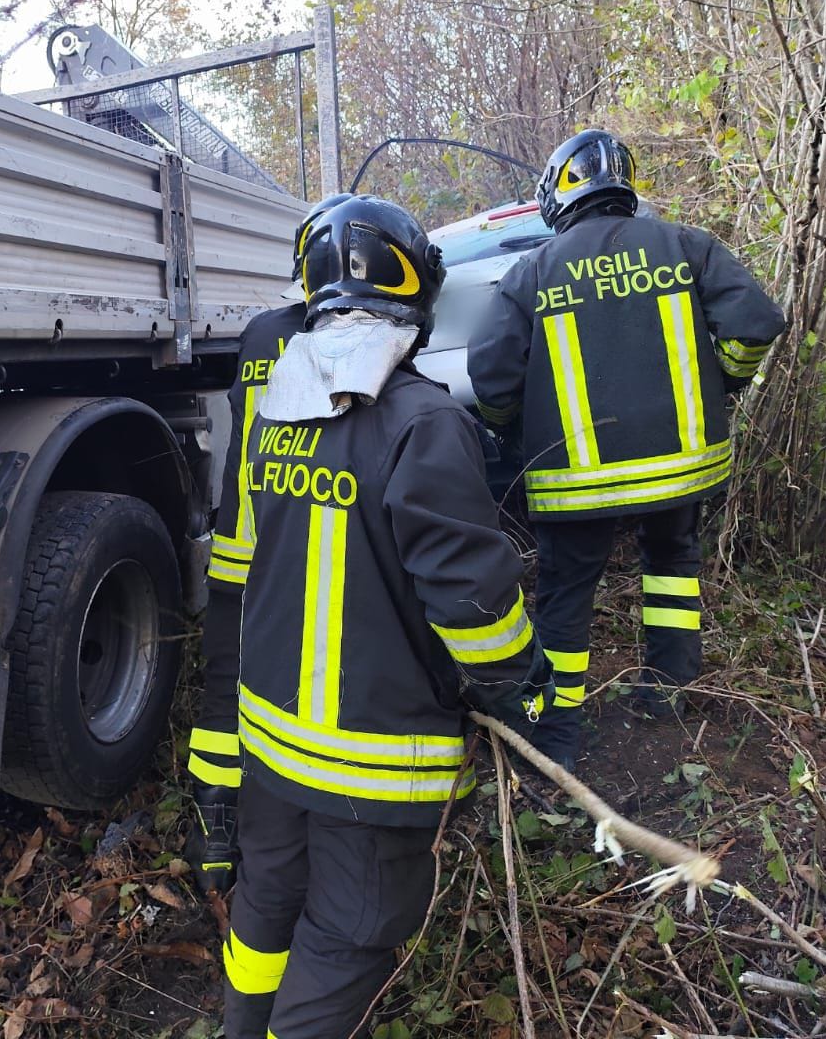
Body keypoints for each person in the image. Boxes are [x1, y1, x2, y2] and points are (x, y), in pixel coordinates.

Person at [223, 195, 551, 1039]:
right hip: (371, 763)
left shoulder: (273, 417)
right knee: (347, 942)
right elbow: (473, 605)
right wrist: (519, 685)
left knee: (265, 903)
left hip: (269, 737)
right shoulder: (426, 420)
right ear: (415, 288)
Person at [468, 129, 786, 770]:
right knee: (671, 567)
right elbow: (755, 323)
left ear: (559, 193)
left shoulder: (532, 271)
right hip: (681, 467)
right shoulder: (684, 245)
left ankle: (561, 725)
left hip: (577, 482)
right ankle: (666, 694)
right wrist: (725, 381)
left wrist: (515, 433)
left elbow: (491, 376)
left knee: (567, 590)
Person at [189, 192, 351, 895]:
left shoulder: (258, 336)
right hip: (322, 556)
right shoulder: (362, 339)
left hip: (240, 553)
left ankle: (213, 845)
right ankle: (315, 835)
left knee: (224, 692)